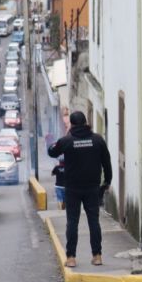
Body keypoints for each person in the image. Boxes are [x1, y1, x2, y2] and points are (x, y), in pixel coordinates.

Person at [47, 110, 112, 267]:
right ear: (86, 122)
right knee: (94, 222)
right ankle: (97, 256)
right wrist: (107, 182)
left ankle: (71, 258)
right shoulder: (98, 140)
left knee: (72, 222)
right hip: (92, 188)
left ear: (72, 124)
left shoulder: (67, 141)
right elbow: (107, 163)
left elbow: (51, 152)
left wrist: (57, 141)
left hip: (73, 189)